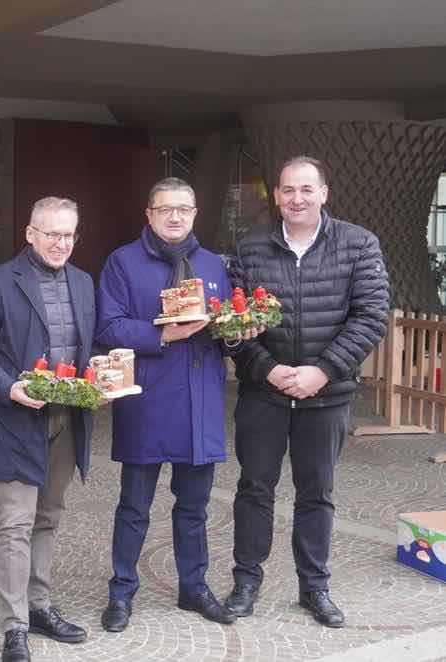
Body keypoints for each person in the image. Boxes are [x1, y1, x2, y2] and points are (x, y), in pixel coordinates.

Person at [225, 156, 389, 628]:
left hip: (327, 394)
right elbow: (234, 324)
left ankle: (314, 586)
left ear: (324, 193)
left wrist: (323, 370)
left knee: (317, 491)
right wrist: (267, 369)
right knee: (254, 488)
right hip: (265, 393)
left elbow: (371, 314)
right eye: (287, 190)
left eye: (306, 189)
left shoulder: (358, 244)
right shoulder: (252, 247)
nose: (296, 198)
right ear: (276, 196)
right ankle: (246, 581)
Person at [95, 177, 251, 632]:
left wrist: (235, 334)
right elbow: (108, 326)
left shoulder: (212, 265)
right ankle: (122, 591)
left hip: (200, 401)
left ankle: (194, 587)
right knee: (133, 507)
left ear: (195, 213)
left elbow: (224, 327)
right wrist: (162, 334)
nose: (175, 216)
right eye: (165, 209)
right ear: (149, 214)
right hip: (146, 399)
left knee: (194, 507)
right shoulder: (122, 262)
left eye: (184, 208)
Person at [0, 197, 94, 662]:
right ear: (30, 233)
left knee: (49, 518)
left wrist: (99, 374)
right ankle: (15, 624)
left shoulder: (83, 282)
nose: (61, 243)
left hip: (66, 420)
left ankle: (40, 605)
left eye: (68, 235)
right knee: (15, 525)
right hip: (16, 421)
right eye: (52, 233)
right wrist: (10, 389)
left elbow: (85, 349)